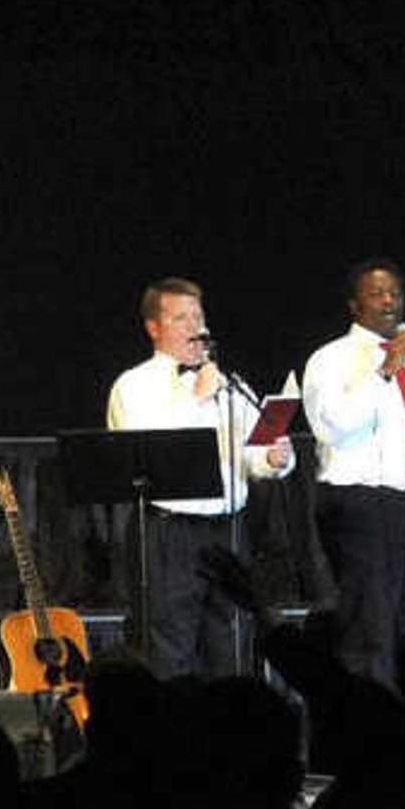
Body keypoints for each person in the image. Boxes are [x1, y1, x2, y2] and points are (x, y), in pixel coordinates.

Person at [104, 276, 296, 679]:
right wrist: (195, 399)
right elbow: (149, 455)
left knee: (229, 642)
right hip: (171, 533)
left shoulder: (229, 383)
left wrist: (275, 458)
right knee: (170, 644)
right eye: (180, 318)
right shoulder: (133, 385)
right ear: (153, 328)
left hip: (228, 530)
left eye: (198, 316)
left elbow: (251, 453)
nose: (194, 327)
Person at [302, 258, 405, 689]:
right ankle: (370, 727)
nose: (389, 301)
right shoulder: (331, 359)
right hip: (362, 504)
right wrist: (385, 370)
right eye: (377, 293)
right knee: (370, 628)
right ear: (354, 304)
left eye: (395, 292)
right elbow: (332, 427)